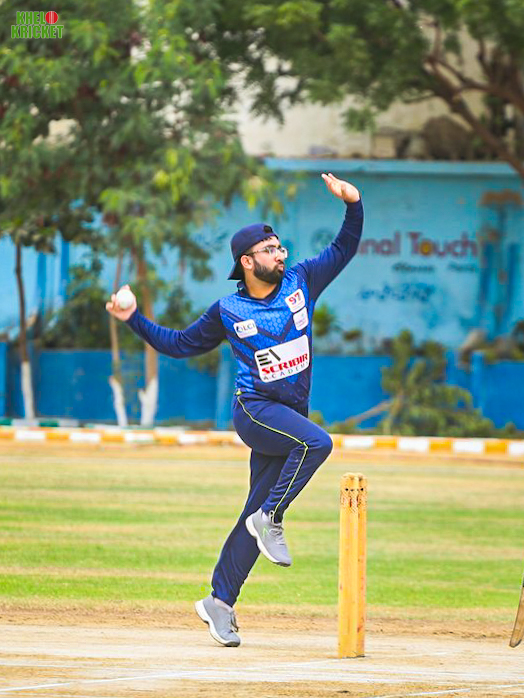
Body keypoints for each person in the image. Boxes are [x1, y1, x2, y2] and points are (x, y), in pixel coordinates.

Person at [106, 172, 363, 647]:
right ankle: (272, 517)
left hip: (290, 415)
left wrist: (353, 203)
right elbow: (179, 344)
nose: (280, 254)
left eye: (280, 247)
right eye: (269, 249)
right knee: (317, 443)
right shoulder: (228, 310)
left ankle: (219, 602)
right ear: (246, 261)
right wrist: (132, 318)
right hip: (255, 409)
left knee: (253, 512)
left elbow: (343, 248)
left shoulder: (302, 280)